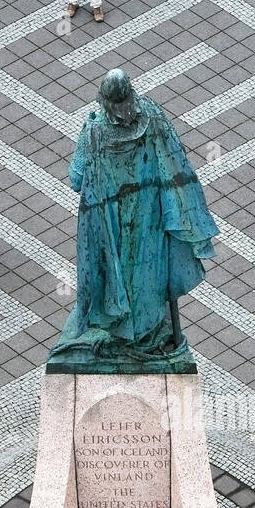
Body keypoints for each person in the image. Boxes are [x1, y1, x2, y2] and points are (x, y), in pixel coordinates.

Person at [47, 68, 218, 374]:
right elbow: (173, 161)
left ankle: (121, 331)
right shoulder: (152, 115)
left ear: (105, 102)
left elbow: (75, 179)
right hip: (150, 214)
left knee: (115, 274)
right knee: (148, 273)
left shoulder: (95, 130)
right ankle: (146, 333)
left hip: (110, 220)